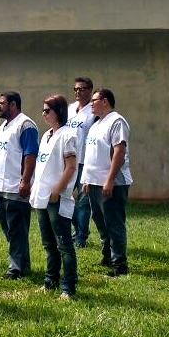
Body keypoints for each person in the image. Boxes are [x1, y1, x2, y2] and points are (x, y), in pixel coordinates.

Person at [31, 94, 79, 299]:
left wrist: (57, 191)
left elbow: (71, 167)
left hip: (55, 198)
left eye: (47, 110)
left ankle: (68, 287)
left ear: (58, 111)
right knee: (48, 243)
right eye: (43, 110)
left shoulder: (68, 135)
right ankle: (50, 281)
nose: (43, 114)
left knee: (64, 244)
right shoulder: (46, 135)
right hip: (41, 196)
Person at [81, 88, 133, 277]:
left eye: (94, 100)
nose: (91, 104)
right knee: (99, 220)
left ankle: (120, 264)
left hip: (112, 183)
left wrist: (109, 180)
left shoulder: (116, 121)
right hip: (94, 182)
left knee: (113, 223)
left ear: (105, 101)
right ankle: (107, 256)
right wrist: (86, 179)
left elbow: (119, 152)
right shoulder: (96, 124)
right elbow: (91, 155)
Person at [0, 91, 39, 280]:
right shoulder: (3, 126)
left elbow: (30, 154)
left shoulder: (25, 125)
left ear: (13, 105)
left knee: (17, 229)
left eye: (2, 103)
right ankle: (22, 264)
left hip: (16, 186)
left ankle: (16, 268)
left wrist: (25, 180)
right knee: (8, 228)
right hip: (1, 186)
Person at [67, 77, 94, 248]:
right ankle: (79, 227)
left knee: (84, 201)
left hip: (85, 162)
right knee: (64, 197)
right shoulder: (70, 109)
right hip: (69, 160)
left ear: (90, 91)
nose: (78, 92)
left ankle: (81, 237)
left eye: (82, 89)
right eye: (76, 89)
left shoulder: (93, 111)